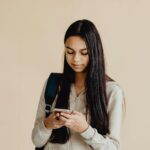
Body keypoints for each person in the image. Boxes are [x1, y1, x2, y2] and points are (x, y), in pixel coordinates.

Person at [32, 19, 125, 150]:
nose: (76, 59)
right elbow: (36, 140)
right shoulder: (53, 84)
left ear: (94, 52)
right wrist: (48, 124)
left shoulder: (112, 91)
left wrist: (85, 129)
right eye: (70, 52)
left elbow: (113, 148)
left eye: (84, 53)